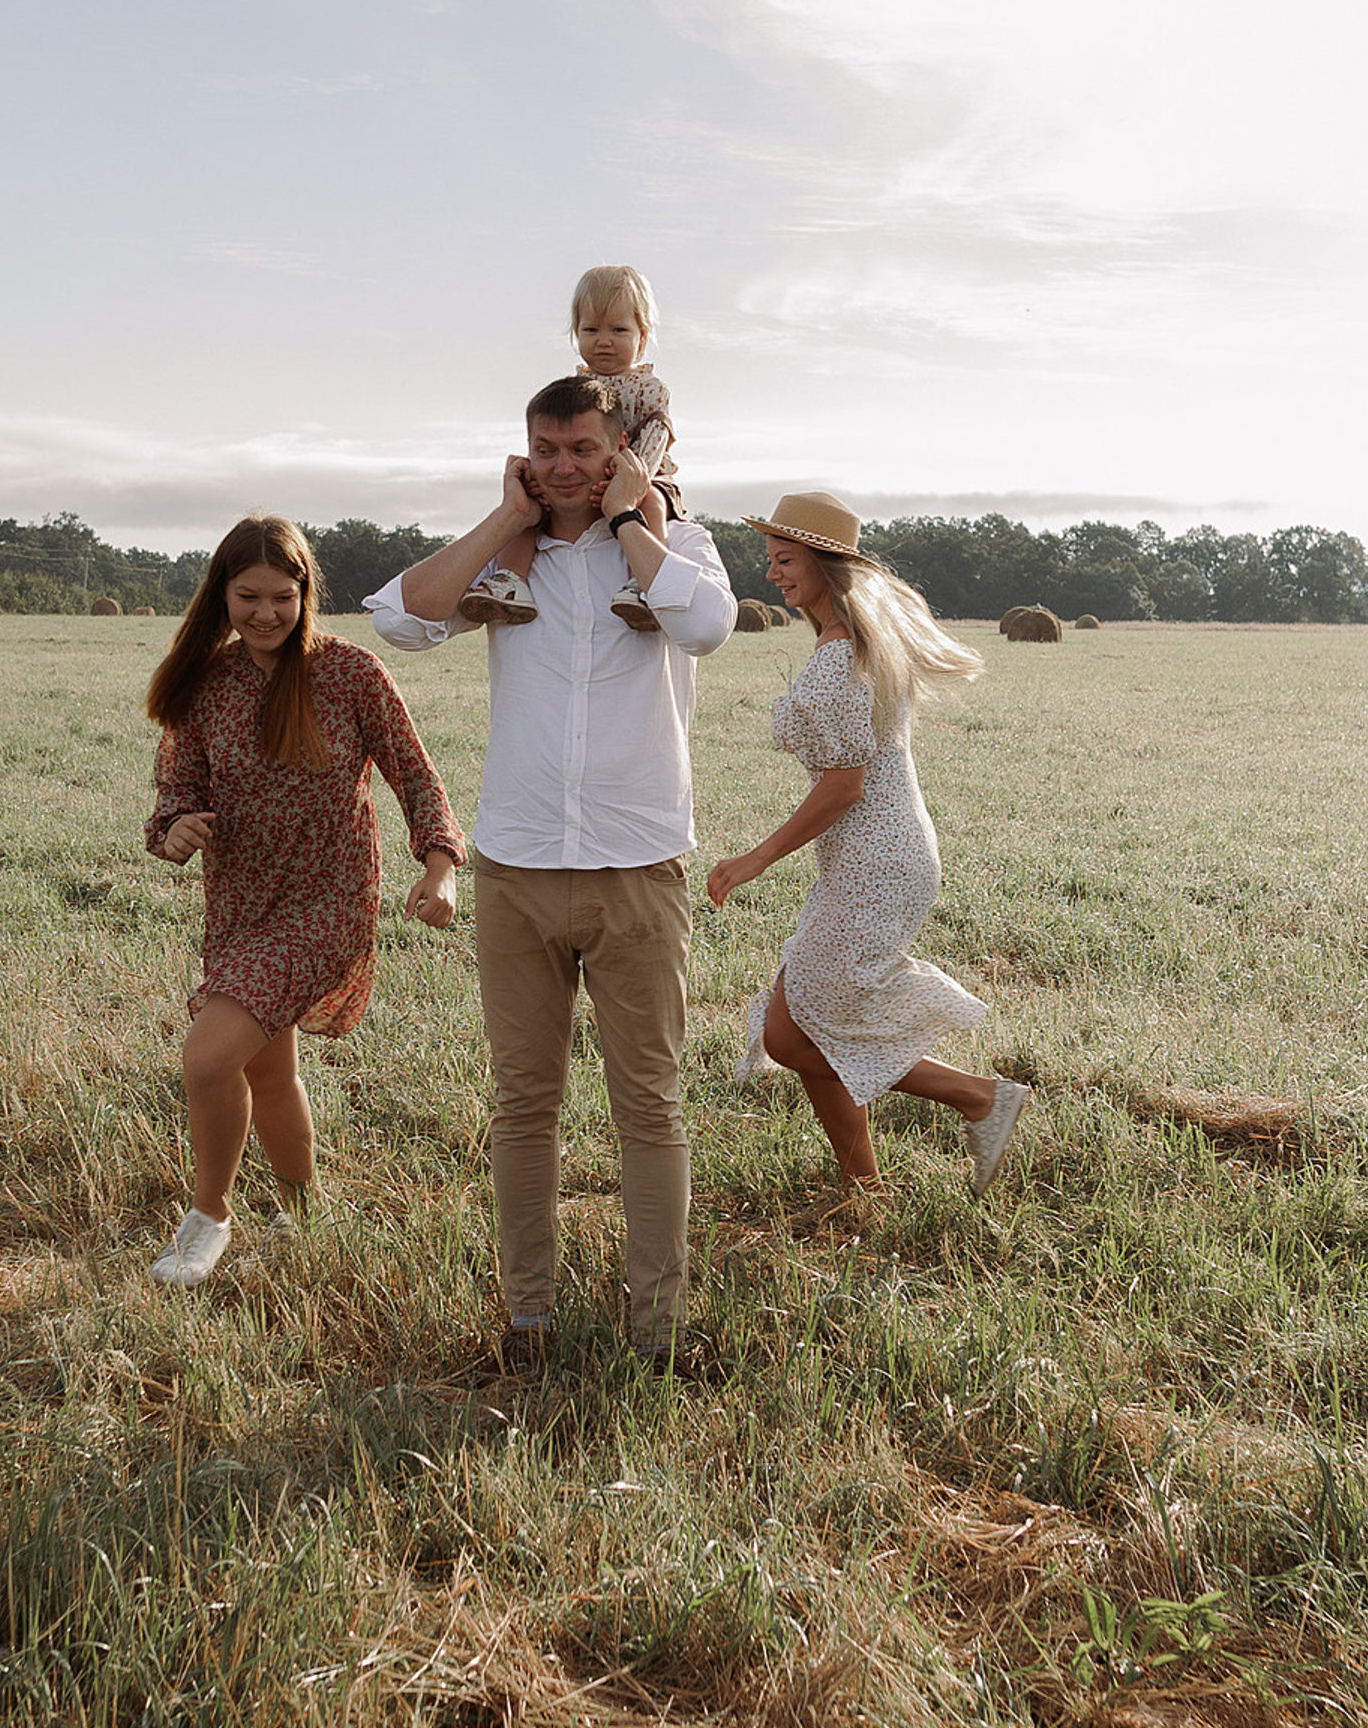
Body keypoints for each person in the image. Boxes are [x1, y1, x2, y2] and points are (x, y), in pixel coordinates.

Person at [369, 374, 736, 1371]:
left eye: (583, 446)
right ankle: (527, 1321)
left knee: (647, 1105)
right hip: (518, 866)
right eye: (547, 447)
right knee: (523, 1101)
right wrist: (503, 516)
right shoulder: (509, 566)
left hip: (638, 865)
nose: (565, 464)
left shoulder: (678, 545)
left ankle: (655, 1330)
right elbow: (400, 619)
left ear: (617, 446)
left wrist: (631, 521)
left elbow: (705, 626)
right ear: (526, 452)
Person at [143, 514, 466, 1286]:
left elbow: (417, 777)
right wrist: (176, 828)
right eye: (247, 596)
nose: (265, 614)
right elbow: (174, 796)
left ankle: (209, 1218)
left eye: (282, 597)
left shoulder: (350, 673)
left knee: (207, 1056)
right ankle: (303, 1216)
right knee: (266, 1073)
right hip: (239, 906)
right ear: (220, 595)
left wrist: (442, 866)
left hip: (328, 904)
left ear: (305, 594)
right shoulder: (207, 685)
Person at [706, 493, 1031, 1202]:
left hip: (877, 865)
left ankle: (980, 1098)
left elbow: (844, 787)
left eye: (785, 562)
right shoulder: (849, 648)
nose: (774, 577)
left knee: (798, 1033)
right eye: (771, 562)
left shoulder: (840, 659)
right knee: (792, 1031)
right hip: (876, 860)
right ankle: (863, 1188)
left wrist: (754, 859)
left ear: (825, 566)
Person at [461, 264, 682, 635]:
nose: (604, 341)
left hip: (641, 475)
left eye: (618, 330)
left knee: (653, 504)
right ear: (575, 333)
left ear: (642, 337)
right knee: (530, 509)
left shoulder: (651, 390)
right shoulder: (574, 387)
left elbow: (657, 438)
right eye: (590, 330)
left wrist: (629, 482)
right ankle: (510, 580)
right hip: (582, 478)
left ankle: (646, 584)